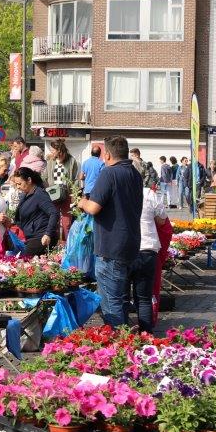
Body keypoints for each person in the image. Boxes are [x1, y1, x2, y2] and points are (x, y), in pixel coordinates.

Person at [78, 136, 144, 328]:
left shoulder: (109, 174)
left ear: (106, 154)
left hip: (111, 246)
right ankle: (125, 341)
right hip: (130, 243)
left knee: (110, 301)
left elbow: (93, 208)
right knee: (121, 299)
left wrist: (82, 202)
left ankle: (118, 345)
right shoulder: (134, 173)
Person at [128, 181, 170, 333]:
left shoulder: (119, 191)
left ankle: (123, 337)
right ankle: (146, 335)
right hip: (147, 248)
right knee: (144, 298)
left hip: (125, 250)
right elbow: (162, 220)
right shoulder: (149, 194)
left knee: (121, 298)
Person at [11, 167, 60, 257]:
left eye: (19, 184)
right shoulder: (26, 194)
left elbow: (54, 213)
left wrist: (48, 234)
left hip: (41, 237)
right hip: (32, 236)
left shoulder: (39, 194)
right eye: (16, 184)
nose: (18, 187)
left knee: (22, 262)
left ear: (29, 180)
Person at [44, 139, 80, 240]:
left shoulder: (71, 161)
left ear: (59, 150)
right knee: (53, 219)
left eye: (52, 150)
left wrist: (74, 195)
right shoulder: (50, 161)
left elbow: (75, 179)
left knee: (67, 222)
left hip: (66, 194)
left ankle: (67, 243)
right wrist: (47, 188)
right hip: (53, 193)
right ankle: (54, 243)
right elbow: (45, 176)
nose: (51, 152)